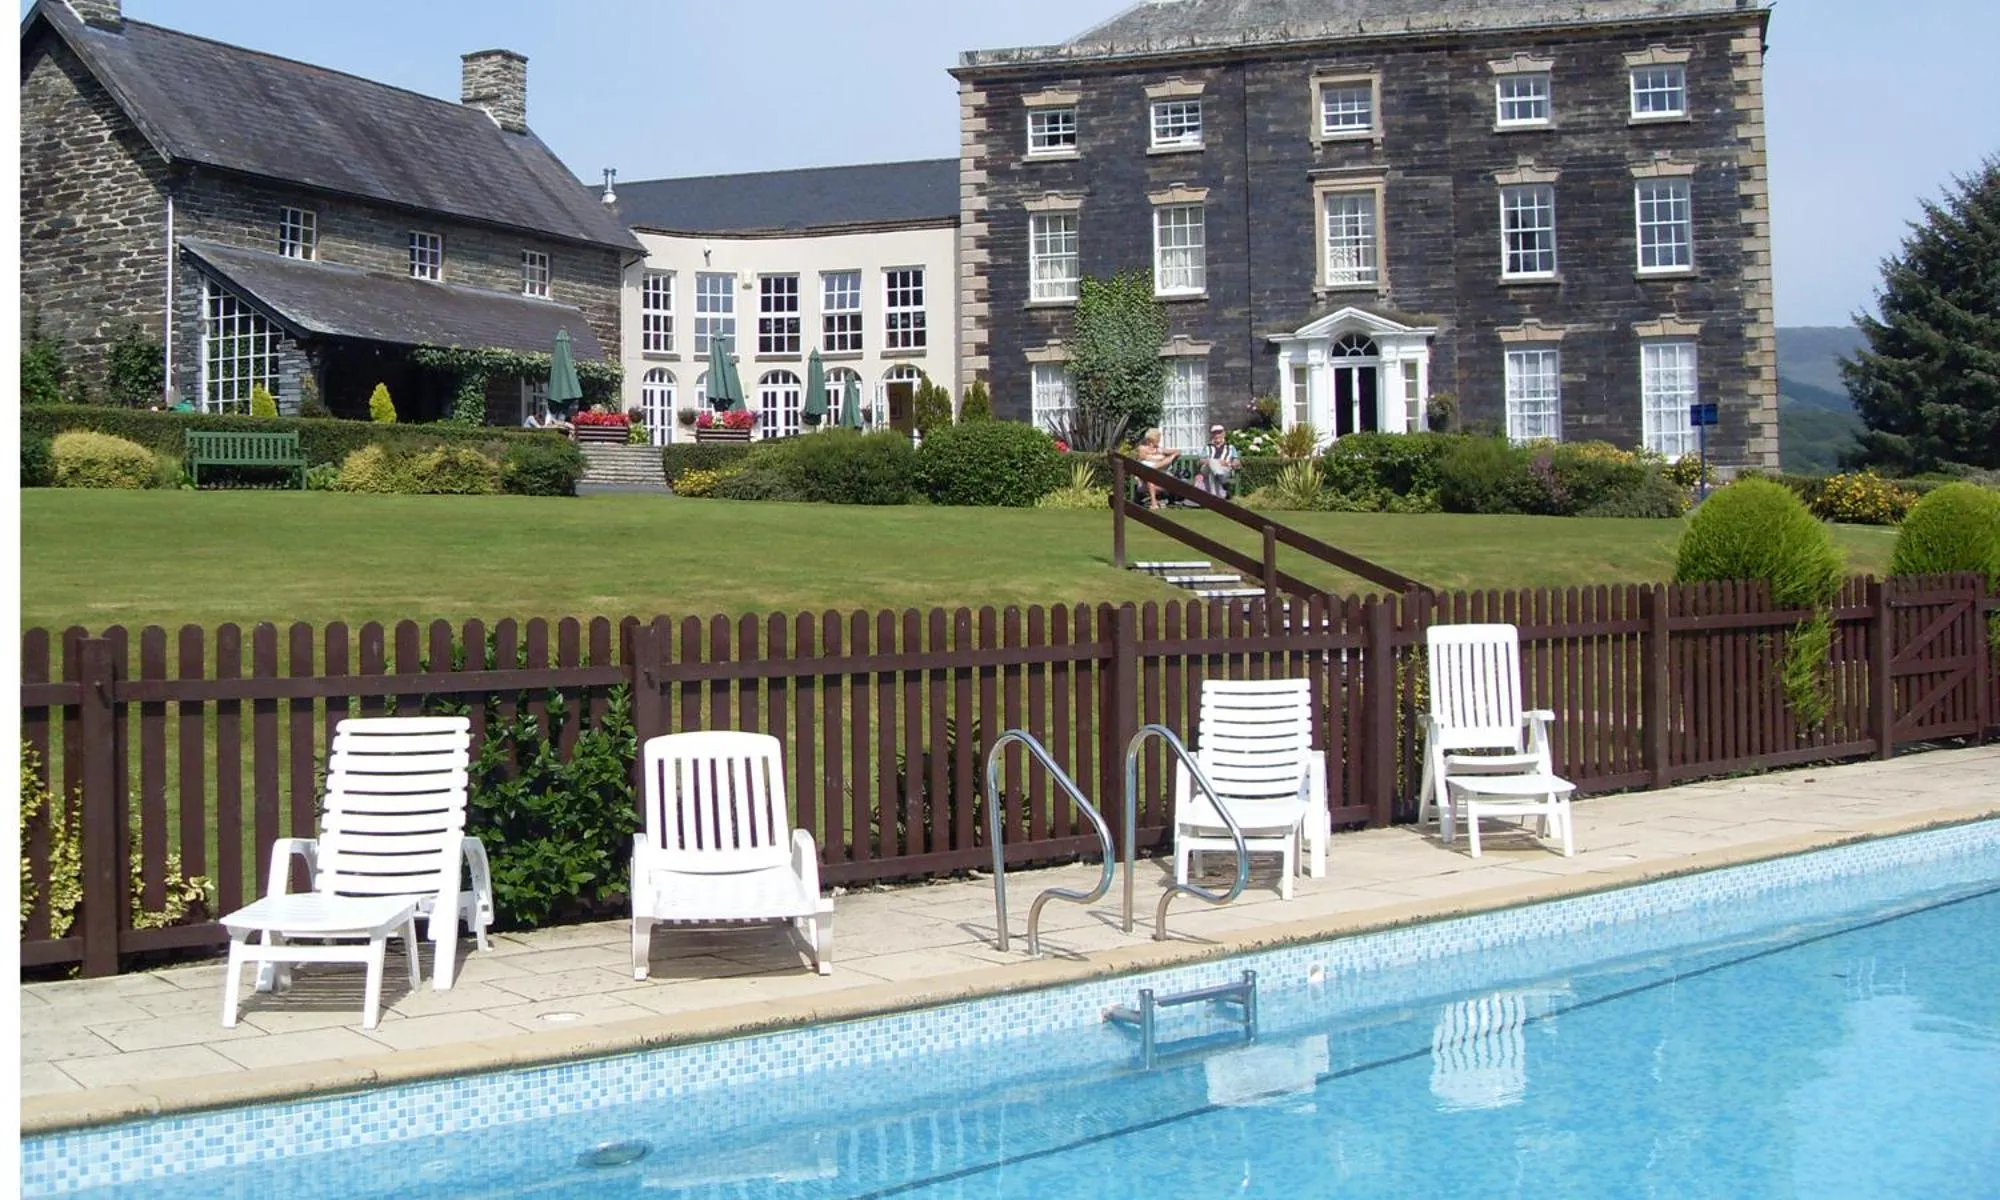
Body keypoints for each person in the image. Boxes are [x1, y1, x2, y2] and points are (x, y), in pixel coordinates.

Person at [1135, 427, 1179, 510]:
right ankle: (1154, 503)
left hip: (1158, 474)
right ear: (1152, 439)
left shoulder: (1159, 449)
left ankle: (1152, 469)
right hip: (1145, 477)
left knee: (1167, 461)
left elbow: (1177, 452)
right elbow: (1144, 457)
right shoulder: (1142, 448)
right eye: (1158, 438)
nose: (1159, 440)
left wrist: (1168, 456)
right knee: (1150, 477)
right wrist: (1160, 458)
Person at [1196, 424, 1238, 499]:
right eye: (1215, 433)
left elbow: (1237, 462)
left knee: (1213, 473)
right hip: (1207, 468)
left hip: (1223, 469)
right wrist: (1210, 461)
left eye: (1219, 433)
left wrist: (1228, 463)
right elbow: (1200, 461)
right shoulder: (1207, 447)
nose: (1217, 435)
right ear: (1212, 435)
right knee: (1212, 462)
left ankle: (1214, 496)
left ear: (1224, 434)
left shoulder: (1231, 447)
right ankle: (1223, 481)